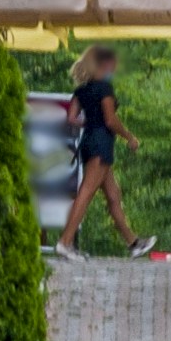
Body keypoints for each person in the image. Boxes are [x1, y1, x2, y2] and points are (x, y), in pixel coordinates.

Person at [59, 45, 133, 253]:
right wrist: (129, 137)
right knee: (86, 192)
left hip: (88, 143)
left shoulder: (82, 90)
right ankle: (65, 242)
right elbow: (110, 119)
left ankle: (132, 241)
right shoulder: (104, 89)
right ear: (105, 63)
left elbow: (72, 118)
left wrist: (90, 123)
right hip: (102, 143)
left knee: (113, 195)